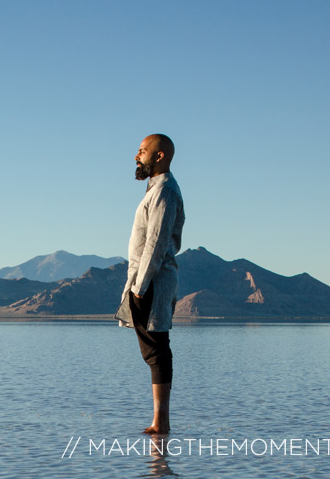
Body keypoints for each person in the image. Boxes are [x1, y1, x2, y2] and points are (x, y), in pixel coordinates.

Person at [114, 134, 185, 435]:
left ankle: (161, 422)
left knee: (157, 350)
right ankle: (160, 421)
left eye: (142, 151)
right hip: (146, 280)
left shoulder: (164, 192)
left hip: (151, 281)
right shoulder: (154, 191)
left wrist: (140, 287)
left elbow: (155, 243)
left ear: (159, 156)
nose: (136, 157)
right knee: (154, 350)